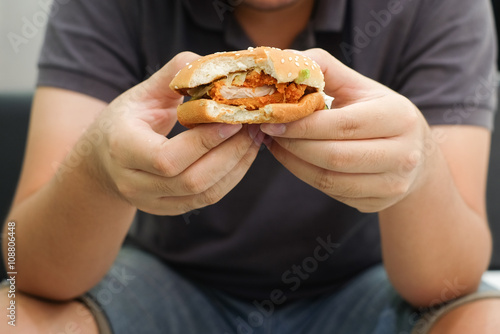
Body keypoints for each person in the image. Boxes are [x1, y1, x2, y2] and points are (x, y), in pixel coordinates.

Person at [1, 0, 500, 333]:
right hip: (159, 285)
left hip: (367, 289)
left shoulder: (440, 7)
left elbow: (447, 283)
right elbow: (20, 261)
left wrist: (420, 173)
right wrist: (97, 172)